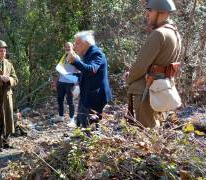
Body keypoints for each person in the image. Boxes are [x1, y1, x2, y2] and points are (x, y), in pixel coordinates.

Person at [125, 0, 181, 128]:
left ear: (161, 12)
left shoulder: (159, 34)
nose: (147, 14)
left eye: (150, 11)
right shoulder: (174, 32)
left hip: (148, 89)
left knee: (146, 131)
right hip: (162, 89)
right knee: (156, 129)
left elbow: (140, 65)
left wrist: (129, 79)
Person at [68, 30, 112, 128]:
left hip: (95, 97)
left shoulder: (96, 53)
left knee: (91, 128)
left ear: (86, 43)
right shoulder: (87, 54)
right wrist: (70, 76)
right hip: (87, 95)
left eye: (77, 43)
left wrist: (75, 61)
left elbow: (92, 69)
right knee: (82, 124)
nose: (75, 46)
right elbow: (87, 73)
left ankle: (90, 141)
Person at [54, 42, 80, 127]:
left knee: (70, 101)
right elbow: (59, 69)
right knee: (60, 99)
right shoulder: (63, 57)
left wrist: (76, 83)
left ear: (72, 47)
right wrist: (56, 81)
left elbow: (79, 70)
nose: (67, 48)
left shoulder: (75, 57)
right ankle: (61, 116)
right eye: (66, 47)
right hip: (61, 82)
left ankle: (72, 119)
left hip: (70, 82)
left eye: (69, 46)